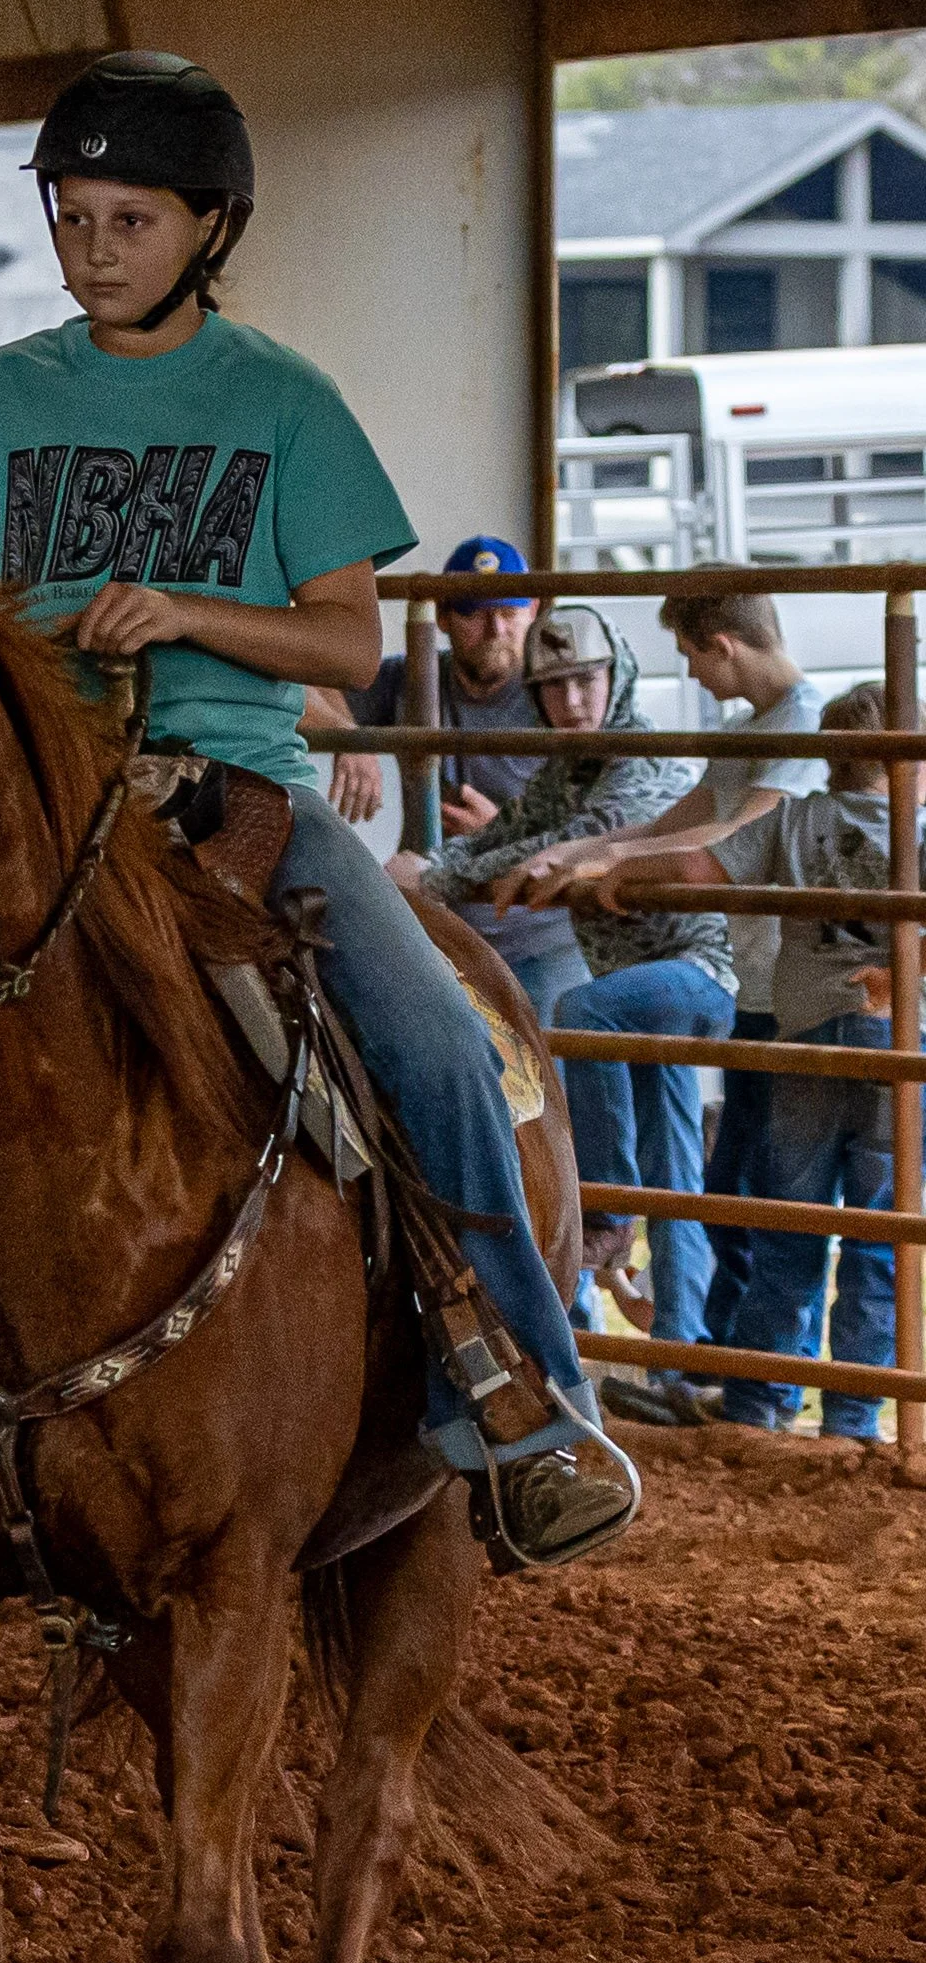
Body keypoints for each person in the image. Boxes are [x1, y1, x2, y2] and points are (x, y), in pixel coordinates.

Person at [0, 49, 635, 1569]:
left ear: (207, 227)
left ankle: (527, 1402)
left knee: (435, 1035)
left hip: (231, 793)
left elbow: (346, 643)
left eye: (130, 219)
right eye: (72, 217)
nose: (94, 249)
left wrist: (183, 612)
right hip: (29, 807)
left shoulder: (283, 402)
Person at [397, 604, 736, 1424]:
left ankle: (611, 1234)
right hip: (635, 989)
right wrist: (434, 866)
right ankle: (676, 1361)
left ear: (618, 677)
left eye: (586, 680)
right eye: (552, 688)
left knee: (593, 1060)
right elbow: (514, 833)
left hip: (677, 978)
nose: (572, 702)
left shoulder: (639, 755)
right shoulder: (566, 767)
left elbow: (583, 834)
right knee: (673, 1168)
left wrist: (429, 877)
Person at [505, 586, 826, 1350]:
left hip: (763, 977)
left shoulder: (803, 723)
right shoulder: (746, 729)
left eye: (687, 654)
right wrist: (577, 854)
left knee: (588, 1014)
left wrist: (613, 860)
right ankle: (685, 1350)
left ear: (721, 645)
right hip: (739, 971)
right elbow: (673, 821)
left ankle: (609, 1211)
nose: (688, 671)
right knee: (690, 1171)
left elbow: (736, 834)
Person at [589, 680, 911, 1439]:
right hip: (895, 1046)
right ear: (909, 763)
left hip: (803, 1044)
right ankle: (854, 1418)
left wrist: (625, 870)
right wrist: (896, 974)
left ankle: (758, 1404)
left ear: (827, 758)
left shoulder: (793, 821)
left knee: (787, 1225)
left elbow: (700, 869)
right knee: (879, 1234)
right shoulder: (917, 827)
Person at [336, 540, 589, 1026]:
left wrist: (499, 833)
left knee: (548, 1059)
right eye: (475, 613)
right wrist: (349, 734)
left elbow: (604, 820)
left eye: (509, 612)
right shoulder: (411, 679)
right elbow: (307, 681)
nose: (496, 630)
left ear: (533, 610)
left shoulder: (562, 695)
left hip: (536, 935)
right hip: (435, 927)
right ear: (444, 618)